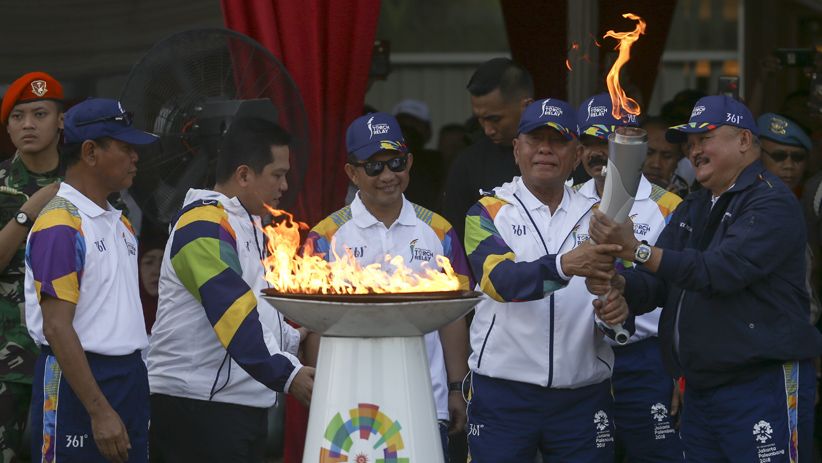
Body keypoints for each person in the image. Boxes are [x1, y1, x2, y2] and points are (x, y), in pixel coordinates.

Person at [588, 95, 822, 462]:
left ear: (744, 141)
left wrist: (637, 251)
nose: (694, 149)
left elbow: (720, 272)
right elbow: (661, 286)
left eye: (705, 138)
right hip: (702, 390)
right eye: (691, 143)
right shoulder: (695, 205)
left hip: (763, 383)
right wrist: (622, 288)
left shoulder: (770, 201)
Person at [464, 98, 629, 462]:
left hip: (583, 396)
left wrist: (615, 307)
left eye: (557, 141)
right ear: (516, 148)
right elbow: (500, 282)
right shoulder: (488, 210)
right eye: (535, 139)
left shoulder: (600, 217)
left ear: (576, 153)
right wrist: (565, 265)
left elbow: (614, 287)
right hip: (504, 393)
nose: (545, 149)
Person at [305, 112, 472, 462]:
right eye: (374, 167)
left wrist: (457, 388)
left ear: (409, 162)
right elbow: (315, 324)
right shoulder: (325, 237)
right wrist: (324, 393)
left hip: (425, 398)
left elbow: (453, 317)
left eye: (395, 162)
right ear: (352, 172)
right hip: (348, 408)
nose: (387, 176)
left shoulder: (438, 232)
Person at [147, 117, 314, 462]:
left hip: (236, 404)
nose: (284, 185)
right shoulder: (203, 224)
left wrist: (302, 333)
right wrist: (288, 374)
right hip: (196, 409)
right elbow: (232, 312)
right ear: (243, 175)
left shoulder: (247, 222)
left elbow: (259, 308)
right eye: (277, 174)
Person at [25, 98, 159, 462]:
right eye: (126, 148)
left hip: (128, 376)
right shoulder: (60, 224)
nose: (135, 158)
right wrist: (99, 410)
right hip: (76, 384)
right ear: (90, 152)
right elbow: (56, 327)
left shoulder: (121, 221)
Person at [575, 93, 684, 462]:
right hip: (583, 358)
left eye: (602, 142)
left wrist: (678, 372)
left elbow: (682, 294)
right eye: (587, 142)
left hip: (647, 361)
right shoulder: (566, 204)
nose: (595, 152)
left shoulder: (668, 207)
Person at [0, 71, 64, 462]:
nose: (28, 124)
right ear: (7, 128)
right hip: (6, 363)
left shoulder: (83, 184)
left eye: (39, 114)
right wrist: (28, 213)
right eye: (17, 116)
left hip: (67, 357)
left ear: (60, 121)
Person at [442, 58, 532, 242]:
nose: (487, 129)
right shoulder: (468, 164)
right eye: (480, 119)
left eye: (495, 119)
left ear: (527, 106)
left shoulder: (562, 158)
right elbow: (456, 243)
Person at [393, 99, 446, 212]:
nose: (407, 131)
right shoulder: (383, 163)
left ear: (428, 131)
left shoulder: (438, 163)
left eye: (414, 125)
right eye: (402, 126)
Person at [758, 112, 812, 194]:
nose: (789, 165)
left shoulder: (810, 200)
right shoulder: (741, 201)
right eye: (779, 156)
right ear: (758, 156)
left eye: (798, 157)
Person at [642, 116, 690, 198]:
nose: (656, 164)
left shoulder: (684, 199)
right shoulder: (613, 182)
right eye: (648, 153)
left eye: (667, 156)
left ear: (678, 160)